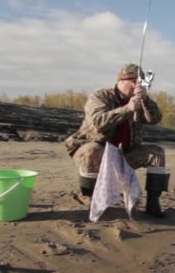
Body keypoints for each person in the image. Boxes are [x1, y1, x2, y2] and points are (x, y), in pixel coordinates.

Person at [64, 63, 169, 218]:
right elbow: (98, 123)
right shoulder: (100, 96)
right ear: (121, 80)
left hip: (125, 153)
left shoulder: (140, 99)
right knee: (92, 151)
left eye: (140, 83)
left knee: (157, 153)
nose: (136, 86)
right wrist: (127, 108)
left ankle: (153, 203)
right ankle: (92, 199)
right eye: (133, 81)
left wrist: (145, 100)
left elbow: (154, 119)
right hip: (98, 150)